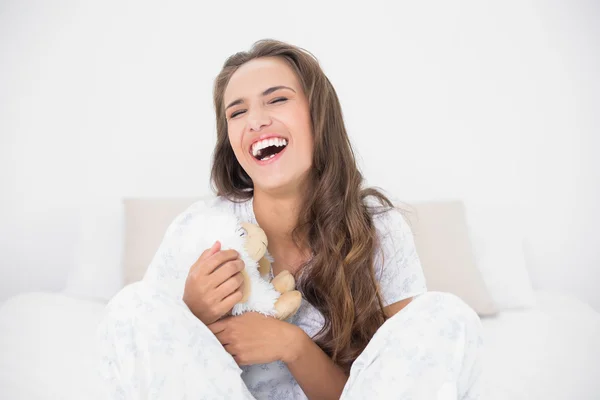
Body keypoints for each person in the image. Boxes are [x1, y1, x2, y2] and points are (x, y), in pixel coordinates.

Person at [96, 39, 483, 399]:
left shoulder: (379, 231)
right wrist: (191, 312)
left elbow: (378, 385)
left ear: (318, 115)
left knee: (446, 314)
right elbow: (159, 360)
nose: (256, 121)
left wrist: (291, 345)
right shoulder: (197, 229)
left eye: (276, 100)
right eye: (238, 111)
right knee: (134, 305)